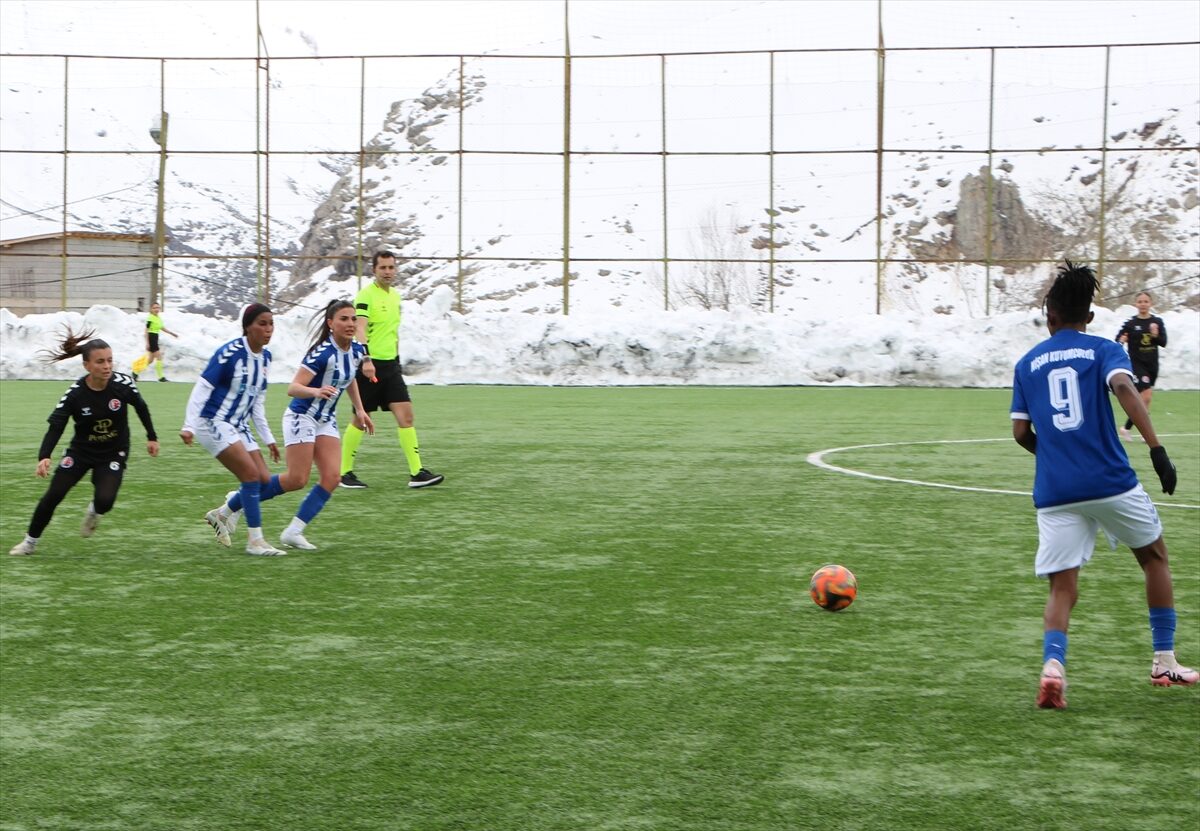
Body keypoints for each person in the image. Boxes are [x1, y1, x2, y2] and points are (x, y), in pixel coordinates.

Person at [1011, 260, 1195, 710]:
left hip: (1055, 491)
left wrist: (1055, 457)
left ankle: (1053, 667)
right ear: (1090, 316)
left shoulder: (1027, 363)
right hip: (1110, 482)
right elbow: (1126, 391)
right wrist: (1156, 450)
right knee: (1154, 557)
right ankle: (1164, 662)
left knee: (1062, 586)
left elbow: (1020, 433)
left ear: (1050, 316)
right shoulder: (1103, 350)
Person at [205, 300, 375, 551]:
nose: (350, 323)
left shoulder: (357, 350)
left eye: (353, 319)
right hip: (301, 417)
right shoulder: (322, 353)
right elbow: (293, 388)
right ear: (331, 324)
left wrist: (359, 409)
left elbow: (349, 379)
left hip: (325, 420)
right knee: (297, 479)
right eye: (343, 319)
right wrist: (316, 391)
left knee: (332, 477)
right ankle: (231, 506)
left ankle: (293, 532)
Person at [9, 327, 159, 556]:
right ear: (87, 365)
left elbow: (141, 407)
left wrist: (151, 437)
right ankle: (29, 542)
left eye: (110, 360)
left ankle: (94, 511)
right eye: (100, 361)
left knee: (105, 501)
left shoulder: (123, 384)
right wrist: (44, 456)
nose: (107, 366)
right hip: (80, 452)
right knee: (54, 495)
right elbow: (56, 425)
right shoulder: (75, 394)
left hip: (113, 452)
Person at [180, 303, 286, 557]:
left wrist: (268, 439)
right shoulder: (230, 353)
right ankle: (255, 542)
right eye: (262, 323)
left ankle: (223, 513)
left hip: (239, 424)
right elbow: (202, 387)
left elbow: (257, 403)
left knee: (263, 480)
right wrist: (189, 425)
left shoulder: (266, 358)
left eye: (271, 324)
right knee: (250, 477)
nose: (268, 329)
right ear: (247, 327)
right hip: (213, 421)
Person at [338, 249, 443, 490]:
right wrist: (366, 359)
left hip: (391, 367)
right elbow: (360, 328)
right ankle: (344, 473)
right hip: (369, 365)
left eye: (391, 267)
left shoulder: (395, 296)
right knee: (361, 419)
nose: (387, 272)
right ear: (374, 270)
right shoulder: (365, 296)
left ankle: (417, 473)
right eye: (383, 267)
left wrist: (396, 359)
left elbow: (392, 332)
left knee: (406, 416)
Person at [1115, 290, 1167, 442]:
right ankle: (1145, 431)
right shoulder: (1131, 324)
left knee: (1142, 399)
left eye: (1146, 301)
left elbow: (1163, 342)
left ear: (1151, 304)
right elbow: (1117, 341)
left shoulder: (1157, 322)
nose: (1143, 304)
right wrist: (1122, 340)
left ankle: (1126, 428)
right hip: (1137, 364)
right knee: (1146, 396)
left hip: (1152, 365)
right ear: (1135, 304)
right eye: (1140, 302)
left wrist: (1155, 335)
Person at [133, 302, 179, 382]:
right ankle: (161, 377)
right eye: (154, 308)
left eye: (158, 308)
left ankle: (135, 372)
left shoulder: (158, 318)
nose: (156, 309)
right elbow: (146, 331)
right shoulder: (150, 318)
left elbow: (162, 327)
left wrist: (171, 333)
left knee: (150, 360)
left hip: (155, 338)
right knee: (159, 357)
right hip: (151, 338)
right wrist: (147, 343)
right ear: (151, 309)